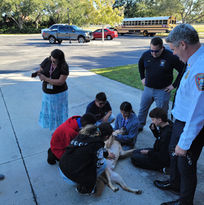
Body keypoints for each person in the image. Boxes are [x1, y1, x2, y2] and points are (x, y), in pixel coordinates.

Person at [153, 24, 204, 205]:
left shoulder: (201, 68)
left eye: (174, 49)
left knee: (185, 164)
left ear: (183, 44)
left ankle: (185, 202)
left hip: (189, 124)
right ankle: (174, 184)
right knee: (174, 155)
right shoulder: (193, 60)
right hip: (180, 120)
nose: (173, 53)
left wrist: (185, 143)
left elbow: (199, 112)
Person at [137, 37, 184, 132]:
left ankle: (162, 130)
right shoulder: (146, 55)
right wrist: (142, 77)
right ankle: (139, 126)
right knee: (142, 109)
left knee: (161, 114)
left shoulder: (171, 56)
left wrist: (174, 85)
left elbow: (182, 70)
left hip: (163, 90)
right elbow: (140, 64)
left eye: (156, 51)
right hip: (148, 89)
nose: (153, 53)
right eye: (152, 50)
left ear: (162, 47)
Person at [59, 123, 113, 194]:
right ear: (106, 137)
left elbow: (97, 149)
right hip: (70, 176)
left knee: (86, 160)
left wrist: (106, 153)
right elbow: (99, 164)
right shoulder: (97, 145)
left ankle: (80, 180)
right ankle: (83, 188)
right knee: (103, 164)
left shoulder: (85, 133)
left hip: (62, 167)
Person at [32, 49, 69, 131]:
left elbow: (60, 82)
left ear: (60, 60)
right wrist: (37, 73)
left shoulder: (64, 66)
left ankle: (59, 130)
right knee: (50, 112)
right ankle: (53, 128)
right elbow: (42, 70)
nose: (52, 62)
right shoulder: (47, 60)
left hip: (59, 94)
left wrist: (45, 78)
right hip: (47, 93)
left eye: (54, 61)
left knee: (58, 113)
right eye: (51, 59)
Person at [131, 107, 172, 172]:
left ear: (159, 120)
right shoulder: (165, 124)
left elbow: (162, 155)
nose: (152, 121)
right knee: (135, 152)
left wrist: (148, 152)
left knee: (134, 158)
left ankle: (161, 168)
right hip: (156, 150)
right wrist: (154, 130)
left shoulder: (167, 134)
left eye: (153, 119)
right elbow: (159, 137)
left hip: (161, 159)